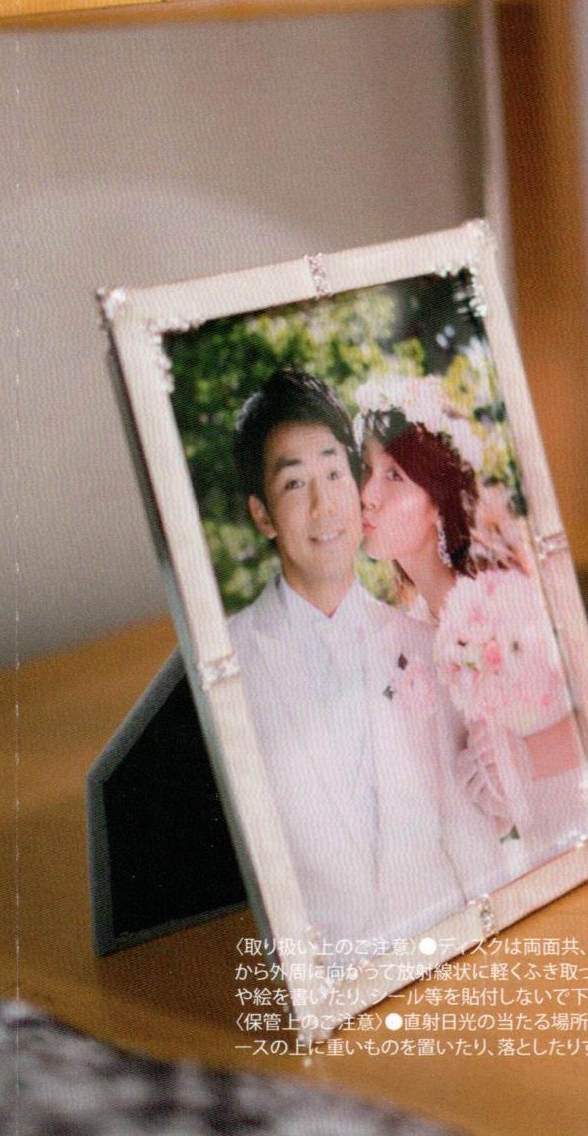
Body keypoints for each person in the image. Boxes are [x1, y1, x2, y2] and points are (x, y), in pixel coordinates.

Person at [226, 368, 502, 951]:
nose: (324, 505)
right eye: (295, 484)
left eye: (334, 474)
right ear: (263, 515)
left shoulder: (424, 643)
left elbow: (467, 834)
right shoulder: (231, 663)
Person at [354, 374, 588, 867]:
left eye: (394, 475)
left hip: (581, 828)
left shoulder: (507, 601)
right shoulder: (409, 631)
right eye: (367, 471)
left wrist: (519, 761)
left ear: (438, 502)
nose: (367, 495)